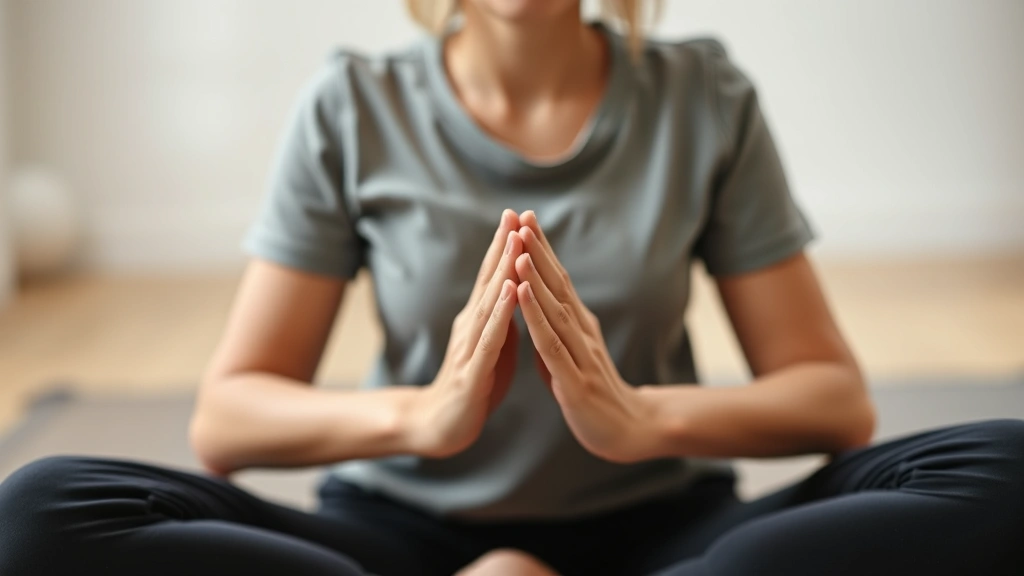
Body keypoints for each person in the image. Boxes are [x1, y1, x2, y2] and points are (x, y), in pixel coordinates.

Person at [1, 1, 1022, 575]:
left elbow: (831, 398)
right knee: (42, 509)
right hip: (396, 540)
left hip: (662, 536)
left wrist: (638, 418)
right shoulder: (353, 105)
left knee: (1005, 469)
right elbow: (229, 418)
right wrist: (429, 415)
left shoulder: (702, 100)